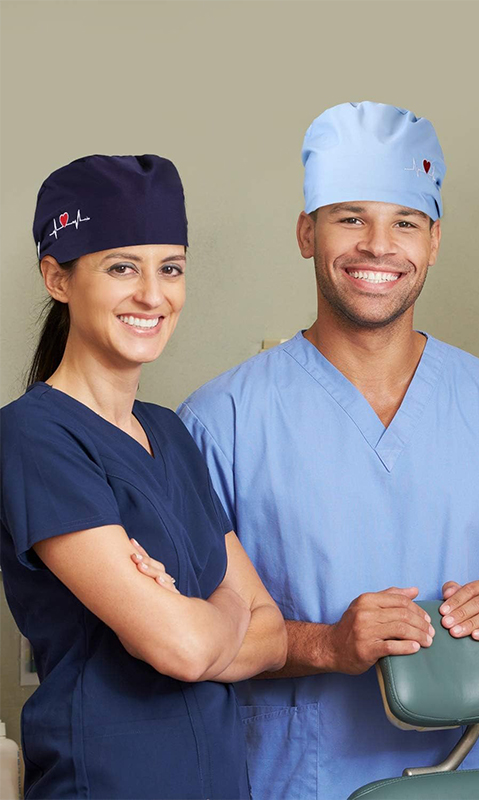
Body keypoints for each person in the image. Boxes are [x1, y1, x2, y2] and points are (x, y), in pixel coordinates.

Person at [178, 101, 479, 799]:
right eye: (350, 218)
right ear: (307, 232)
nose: (378, 246)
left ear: (434, 241)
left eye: (405, 222)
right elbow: (184, 631)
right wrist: (326, 644)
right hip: (288, 781)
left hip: (464, 780)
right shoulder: (221, 421)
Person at [0, 155, 287, 799]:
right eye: (122, 267)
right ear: (57, 277)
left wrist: (192, 618)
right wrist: (222, 609)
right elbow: (186, 648)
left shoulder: (171, 432)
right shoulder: (34, 436)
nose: (153, 295)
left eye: (171, 268)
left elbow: (272, 637)